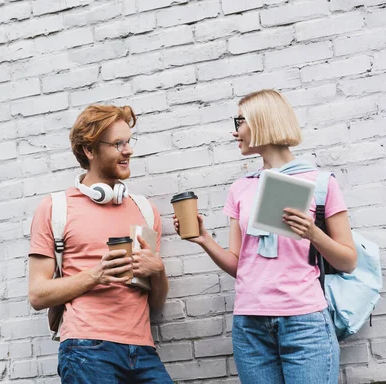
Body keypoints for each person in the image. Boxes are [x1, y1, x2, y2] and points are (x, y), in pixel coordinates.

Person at [174, 89, 357, 384]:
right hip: (250, 325)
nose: (235, 131)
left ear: (263, 121)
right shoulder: (240, 188)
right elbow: (239, 265)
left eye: (240, 121)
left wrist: (312, 233)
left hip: (305, 322)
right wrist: (205, 239)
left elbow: (348, 261)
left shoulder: (321, 184)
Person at [28, 105, 172, 383]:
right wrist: (96, 275)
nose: (128, 150)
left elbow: (155, 302)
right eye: (118, 144)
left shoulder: (145, 209)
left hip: (142, 349)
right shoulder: (55, 208)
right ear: (89, 150)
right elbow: (37, 294)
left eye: (129, 141)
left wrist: (158, 270)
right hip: (86, 349)